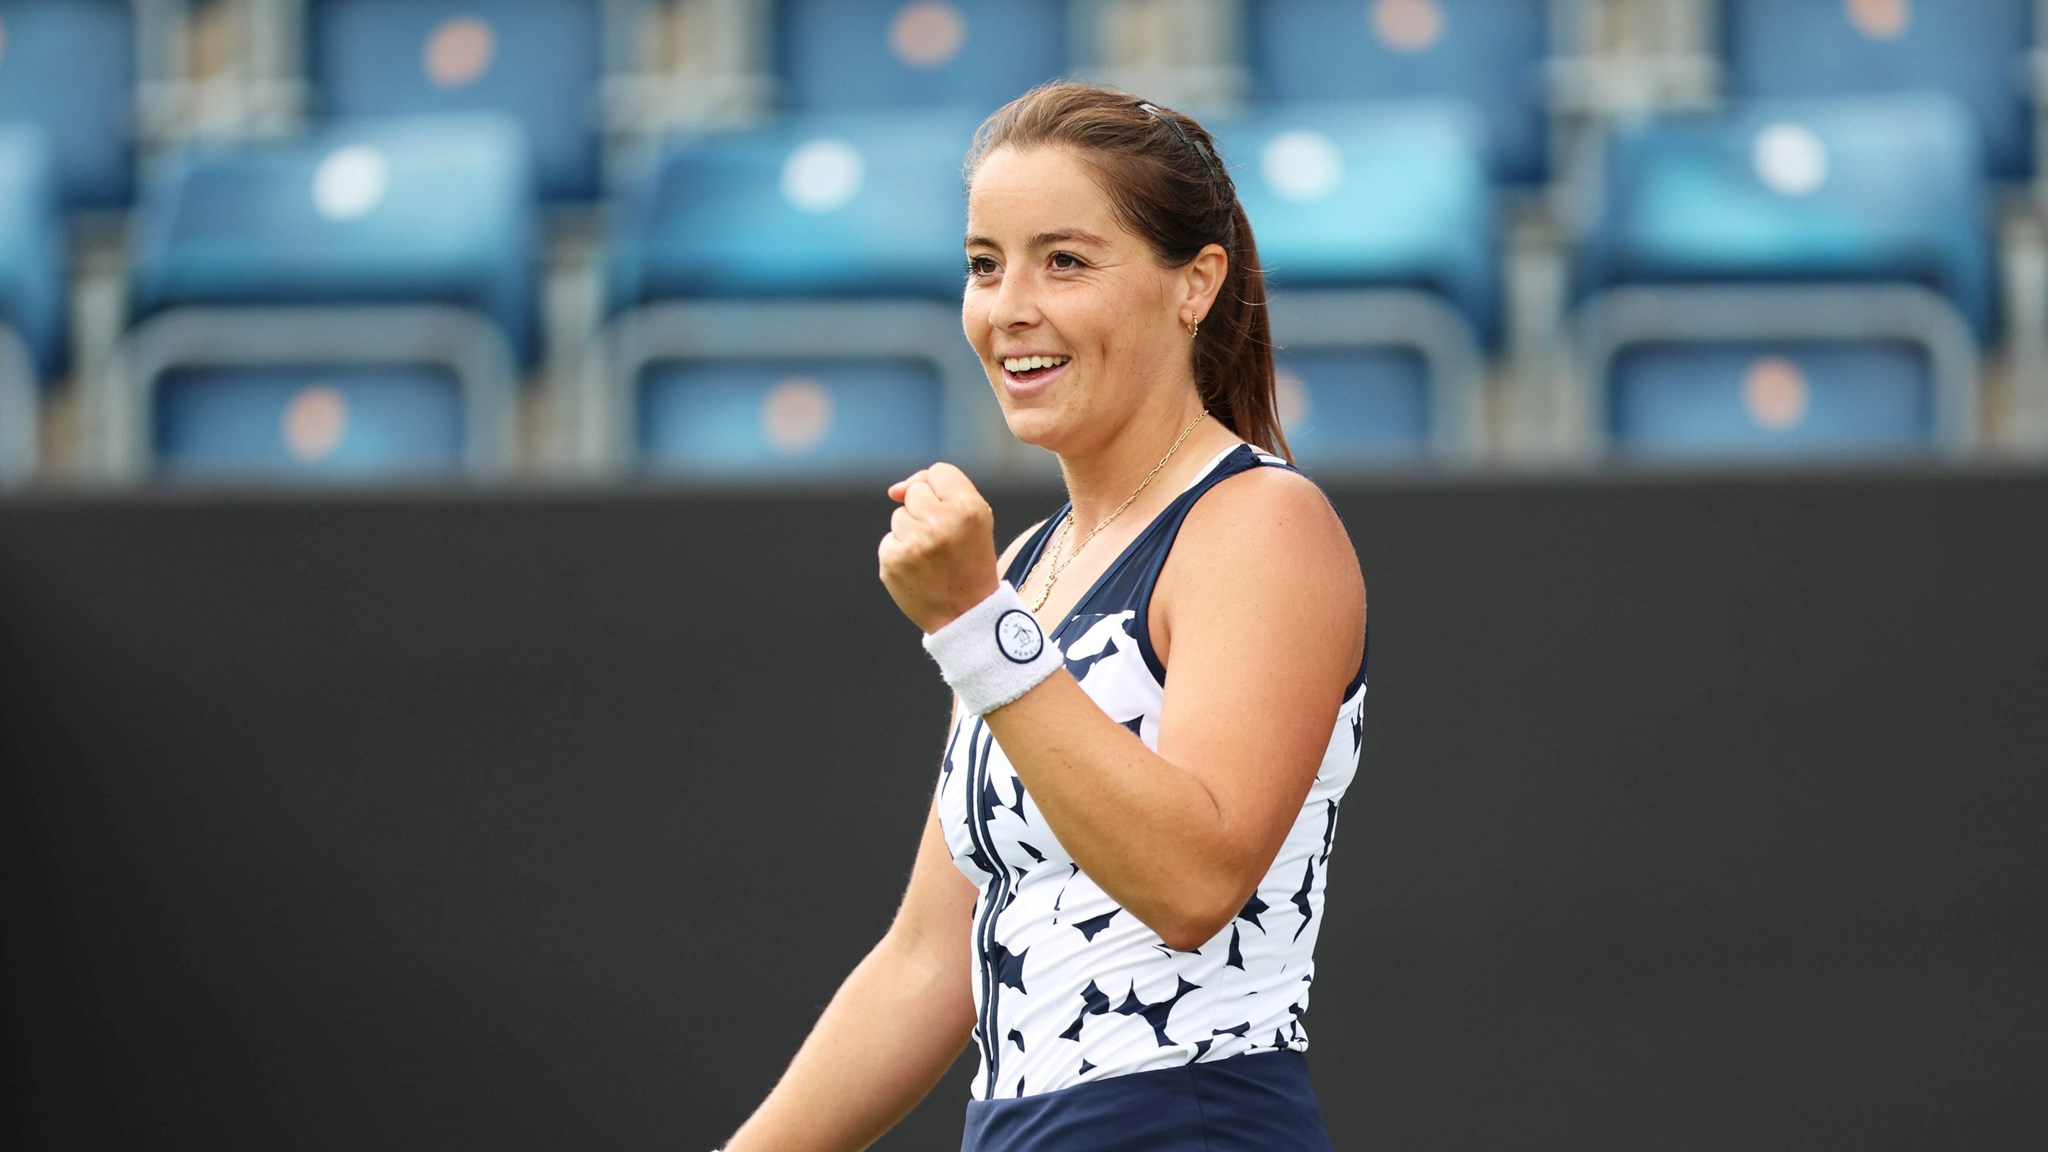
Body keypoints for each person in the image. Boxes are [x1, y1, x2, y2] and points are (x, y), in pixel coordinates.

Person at [719, 82, 1369, 1152]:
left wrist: (975, 626)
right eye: (984, 265)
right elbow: (930, 962)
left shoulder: (1259, 523)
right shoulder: (1026, 566)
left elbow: (1194, 879)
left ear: (1192, 284)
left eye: (1062, 261)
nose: (1007, 307)